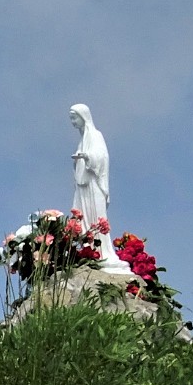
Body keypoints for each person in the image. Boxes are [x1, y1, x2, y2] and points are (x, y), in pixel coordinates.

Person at [69, 104, 129, 273]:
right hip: (83, 185)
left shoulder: (95, 135)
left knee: (97, 219)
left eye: (75, 117)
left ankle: (103, 253)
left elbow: (102, 157)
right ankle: (90, 251)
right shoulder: (82, 139)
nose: (73, 122)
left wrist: (87, 157)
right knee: (85, 221)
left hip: (94, 184)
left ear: (83, 117)